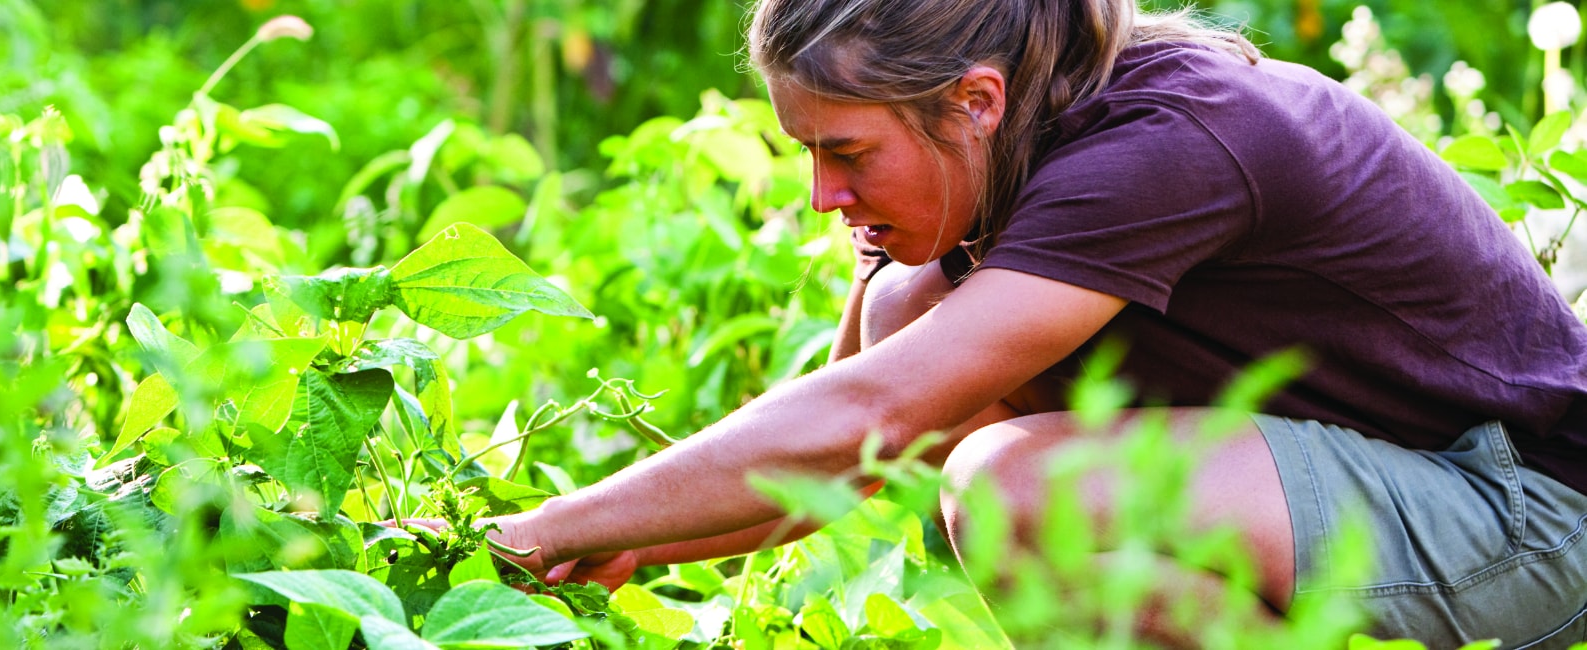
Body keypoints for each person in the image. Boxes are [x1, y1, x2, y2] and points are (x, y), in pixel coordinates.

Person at [482, 0, 1587, 645]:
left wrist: (542, 524)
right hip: (1368, 484)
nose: (822, 196)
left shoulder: (1165, 143)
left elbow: (868, 413)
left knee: (1010, 487)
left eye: (845, 151)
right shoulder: (982, 166)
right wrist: (616, 540)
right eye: (804, 151)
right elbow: (853, 454)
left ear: (974, 100)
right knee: (918, 317)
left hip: (1525, 509)